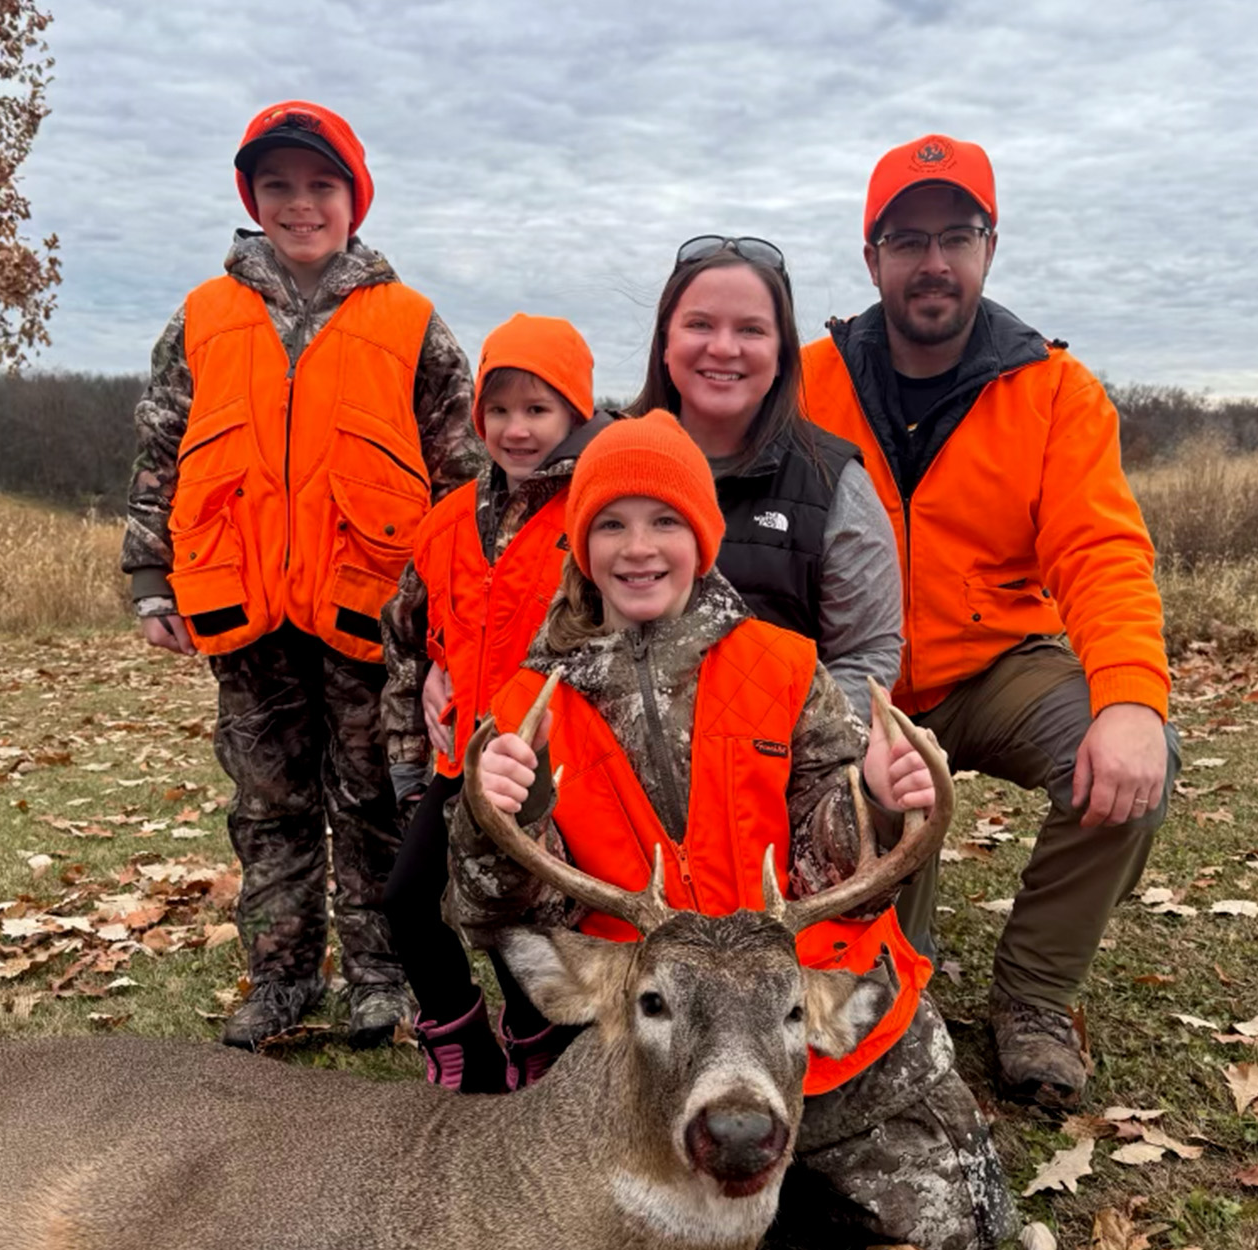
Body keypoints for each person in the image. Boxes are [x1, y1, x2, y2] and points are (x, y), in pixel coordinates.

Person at [450, 412, 1018, 1250]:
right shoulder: (527, 707)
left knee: (956, 1235)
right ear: (580, 543)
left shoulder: (785, 665)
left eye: (665, 521)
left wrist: (876, 799)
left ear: (703, 538)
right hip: (661, 1042)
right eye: (610, 523)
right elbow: (491, 909)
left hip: (829, 1026)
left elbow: (836, 860)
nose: (638, 547)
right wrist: (504, 812)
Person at [800, 134, 1182, 1109]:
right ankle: (896, 972)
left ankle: (1036, 995)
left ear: (989, 248)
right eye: (906, 238)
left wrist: (1132, 701)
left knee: (1135, 760)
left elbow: (1099, 552)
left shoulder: (1054, 391)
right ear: (871, 256)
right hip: (862, 680)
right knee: (885, 973)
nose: (933, 261)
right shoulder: (805, 382)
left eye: (956, 235)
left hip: (999, 660)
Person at [121, 100, 483, 1050]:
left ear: (354, 197)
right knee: (269, 806)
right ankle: (281, 980)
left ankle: (380, 978)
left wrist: (452, 613)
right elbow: (162, 445)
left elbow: (462, 479)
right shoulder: (204, 313)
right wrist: (152, 575)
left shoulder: (411, 323)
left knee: (371, 800)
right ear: (252, 197)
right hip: (240, 606)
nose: (299, 204)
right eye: (276, 185)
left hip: (369, 607)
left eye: (320, 185)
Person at [378, 312, 611, 1092]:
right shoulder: (447, 520)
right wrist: (413, 763)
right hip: (462, 761)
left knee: (523, 921)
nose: (516, 429)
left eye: (538, 410)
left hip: (553, 776)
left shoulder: (594, 516)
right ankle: (461, 1044)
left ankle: (535, 1039)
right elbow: (408, 641)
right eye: (500, 409)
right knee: (409, 900)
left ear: (575, 413)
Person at [629, 236, 902, 716]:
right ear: (665, 341)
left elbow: (867, 654)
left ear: (782, 355)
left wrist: (775, 740)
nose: (723, 347)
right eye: (699, 324)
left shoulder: (835, 483)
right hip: (604, 766)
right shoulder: (598, 460)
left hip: (774, 774)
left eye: (751, 330)